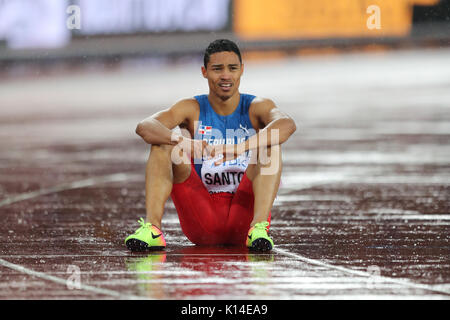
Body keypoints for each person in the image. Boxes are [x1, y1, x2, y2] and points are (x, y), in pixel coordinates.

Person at [125, 39, 296, 252]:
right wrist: (183, 141)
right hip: (202, 217)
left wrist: (240, 147)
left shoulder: (256, 107)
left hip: (245, 220)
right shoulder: (192, 108)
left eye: (232, 68)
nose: (225, 75)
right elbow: (145, 126)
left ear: (242, 70)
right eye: (217, 69)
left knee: (271, 144)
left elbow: (287, 125)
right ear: (204, 72)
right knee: (163, 143)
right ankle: (152, 230)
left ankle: (259, 228)